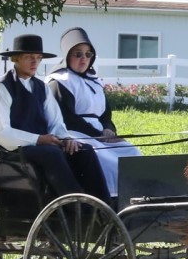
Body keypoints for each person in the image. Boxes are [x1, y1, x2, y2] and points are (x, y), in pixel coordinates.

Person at [0, 34, 113, 207]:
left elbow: (56, 121)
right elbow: (2, 133)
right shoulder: (1, 88)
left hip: (41, 146)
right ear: (16, 59)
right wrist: (39, 139)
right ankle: (76, 206)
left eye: (38, 58)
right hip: (13, 150)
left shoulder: (41, 87)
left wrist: (65, 139)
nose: (34, 62)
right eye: (29, 57)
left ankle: (104, 205)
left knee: (84, 150)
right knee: (52, 153)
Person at [46, 27, 141, 200]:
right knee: (109, 162)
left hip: (100, 136)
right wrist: (97, 134)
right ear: (67, 55)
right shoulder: (59, 82)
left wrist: (108, 129)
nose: (84, 59)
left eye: (88, 54)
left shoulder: (95, 82)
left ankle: (137, 197)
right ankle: (112, 201)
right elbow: (67, 119)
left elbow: (105, 114)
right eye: (78, 54)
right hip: (74, 135)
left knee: (132, 153)